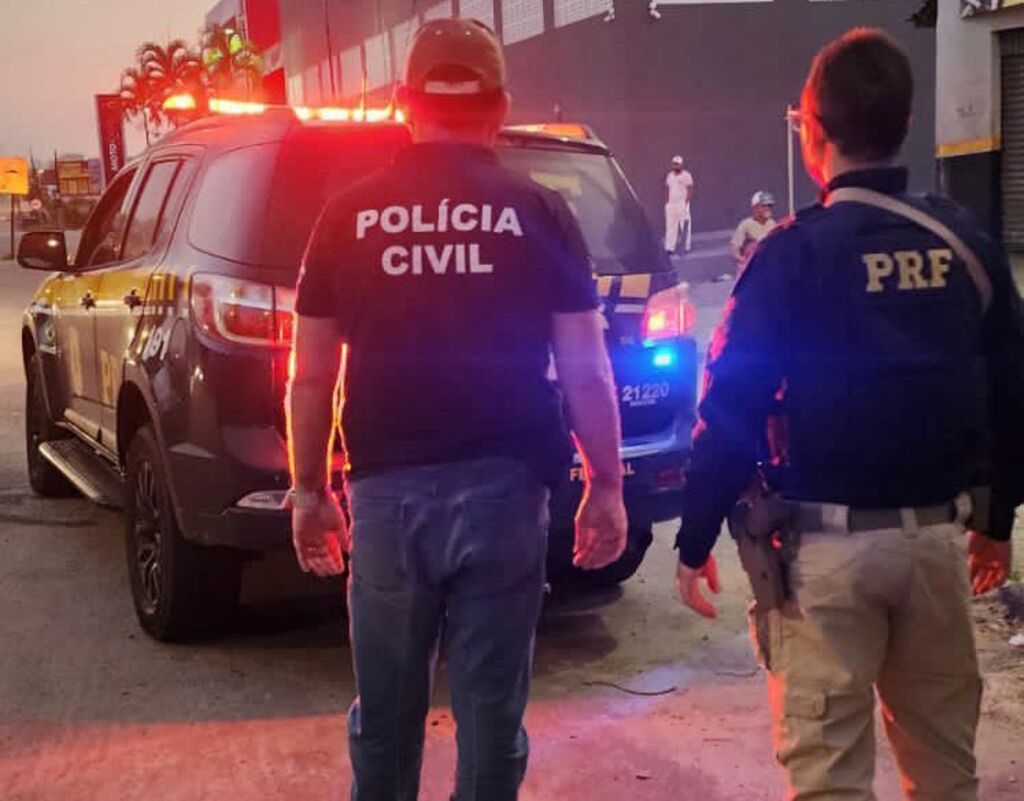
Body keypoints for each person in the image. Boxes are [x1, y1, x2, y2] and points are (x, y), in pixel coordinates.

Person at [675, 28, 1023, 801]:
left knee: (829, 779)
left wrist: (694, 535)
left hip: (822, 557)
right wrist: (996, 519)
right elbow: (1012, 386)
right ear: (903, 124)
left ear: (814, 132)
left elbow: (730, 405)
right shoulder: (962, 242)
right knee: (944, 773)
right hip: (937, 543)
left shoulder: (790, 254)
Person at [287, 18, 627, 801]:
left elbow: (311, 378)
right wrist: (604, 481)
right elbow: (586, 366)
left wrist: (309, 491)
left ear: (405, 101)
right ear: (499, 105)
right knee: (491, 721)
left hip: (384, 497)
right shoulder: (539, 211)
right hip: (506, 493)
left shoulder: (347, 215)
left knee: (386, 721)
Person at [730, 190, 777, 271]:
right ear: (755, 207)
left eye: (770, 206)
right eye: (764, 206)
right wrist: (743, 262)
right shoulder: (746, 224)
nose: (768, 208)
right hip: (752, 268)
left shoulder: (772, 224)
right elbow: (734, 249)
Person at [664, 155, 694, 254]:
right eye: (674, 164)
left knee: (684, 225)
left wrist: (686, 203)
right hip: (671, 204)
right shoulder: (670, 176)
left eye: (677, 164)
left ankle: (686, 246)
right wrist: (667, 203)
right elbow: (667, 189)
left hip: (682, 203)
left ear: (681, 165)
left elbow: (690, 189)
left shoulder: (686, 175)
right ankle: (670, 247)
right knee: (670, 226)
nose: (676, 166)